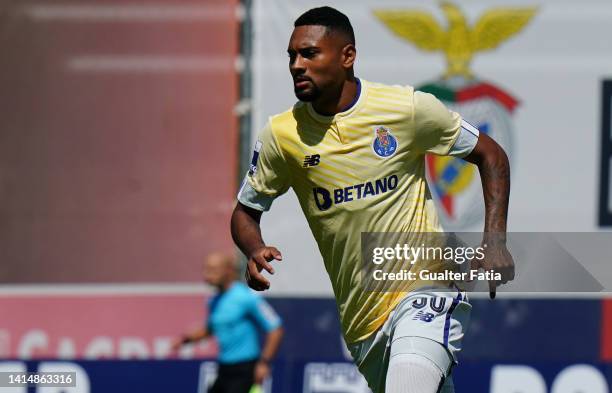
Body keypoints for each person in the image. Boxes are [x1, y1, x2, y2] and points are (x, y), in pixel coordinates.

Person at [231, 6, 513, 393]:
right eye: (291, 56)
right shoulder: (283, 135)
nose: (297, 65)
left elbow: (491, 154)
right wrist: (254, 247)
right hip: (362, 324)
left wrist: (494, 240)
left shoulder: (406, 109)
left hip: (425, 287)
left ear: (347, 56)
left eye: (309, 53)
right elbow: (246, 211)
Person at [172, 252, 284, 393]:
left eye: (213, 270)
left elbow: (275, 329)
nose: (207, 274)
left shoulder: (245, 297)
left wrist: (264, 363)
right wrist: (184, 340)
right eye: (205, 269)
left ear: (229, 270)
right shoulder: (214, 301)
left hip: (245, 369)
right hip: (224, 369)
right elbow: (210, 330)